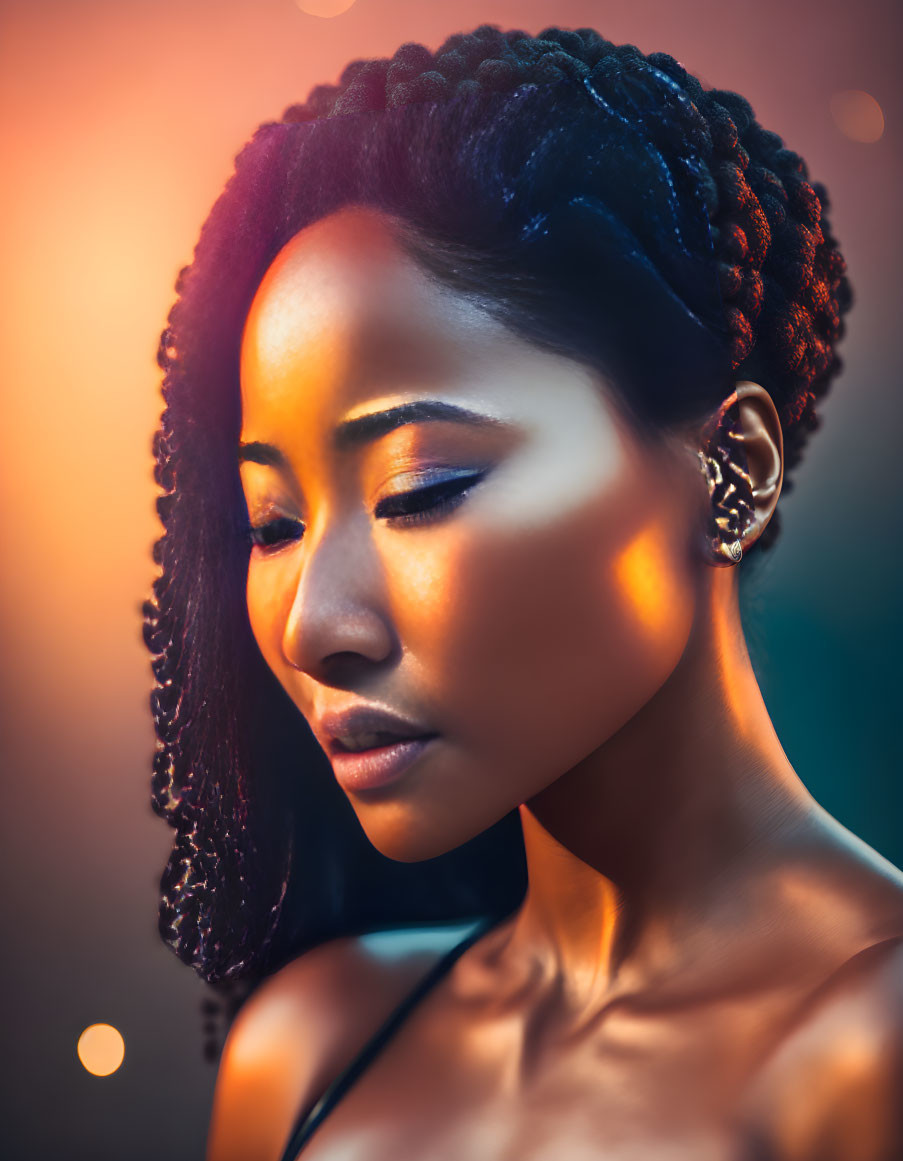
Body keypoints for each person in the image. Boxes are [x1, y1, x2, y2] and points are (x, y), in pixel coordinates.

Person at [144, 23, 903, 1161]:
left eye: (422, 487)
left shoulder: (871, 1051)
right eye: (274, 524)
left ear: (731, 469)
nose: (312, 625)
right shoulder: (310, 1050)